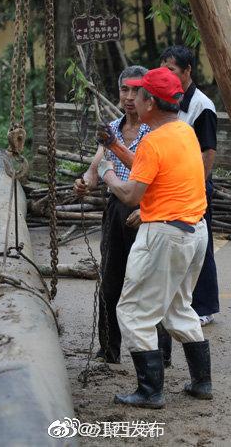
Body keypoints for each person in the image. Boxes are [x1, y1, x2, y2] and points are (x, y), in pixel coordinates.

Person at [98, 67, 212, 408]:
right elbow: (152, 167)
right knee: (178, 307)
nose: (133, 99)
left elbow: (132, 194)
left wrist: (107, 175)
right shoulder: (183, 132)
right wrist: (116, 147)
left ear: (150, 102)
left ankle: (150, 391)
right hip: (195, 230)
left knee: (133, 312)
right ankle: (201, 382)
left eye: (139, 94)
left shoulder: (152, 140)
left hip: (164, 234)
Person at [73, 65, 150, 364]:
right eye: (124, 90)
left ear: (147, 95)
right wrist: (85, 183)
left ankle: (158, 355)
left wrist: (146, 209)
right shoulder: (112, 128)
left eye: (136, 91)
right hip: (116, 208)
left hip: (145, 209)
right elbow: (95, 169)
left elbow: (161, 180)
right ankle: (109, 349)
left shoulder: (154, 131)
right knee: (110, 280)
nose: (130, 97)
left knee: (146, 283)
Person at [160, 45, 219, 327]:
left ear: (187, 71)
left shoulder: (202, 106)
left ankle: (205, 306)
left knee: (200, 245)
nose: (166, 74)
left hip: (194, 188)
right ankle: (178, 301)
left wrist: (200, 185)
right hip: (172, 187)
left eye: (171, 70)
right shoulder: (168, 100)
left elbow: (209, 151)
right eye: (163, 69)